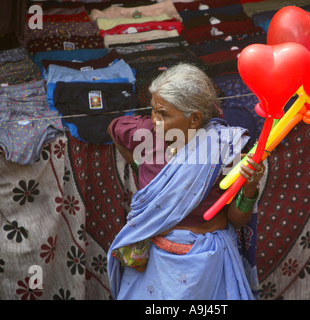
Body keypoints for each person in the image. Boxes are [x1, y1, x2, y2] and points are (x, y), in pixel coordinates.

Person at [106, 63, 265, 300]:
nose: (154, 119)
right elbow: (114, 128)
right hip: (156, 266)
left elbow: (236, 220)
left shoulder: (222, 149)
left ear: (195, 119)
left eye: (163, 114)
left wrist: (250, 186)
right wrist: (136, 165)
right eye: (153, 110)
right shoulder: (146, 135)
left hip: (208, 265)